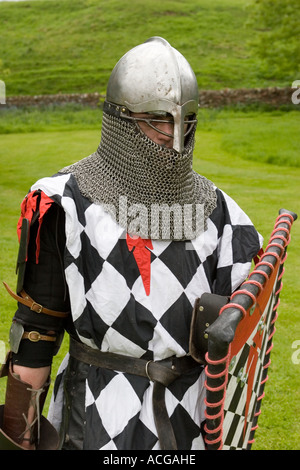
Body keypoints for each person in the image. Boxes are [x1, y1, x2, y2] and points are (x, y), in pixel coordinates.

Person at [0, 37, 262, 450]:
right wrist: (20, 436)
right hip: (94, 413)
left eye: (184, 121)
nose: (172, 136)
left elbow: (244, 338)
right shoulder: (63, 204)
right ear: (120, 120)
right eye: (157, 120)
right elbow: (36, 333)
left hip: (190, 419)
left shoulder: (223, 214)